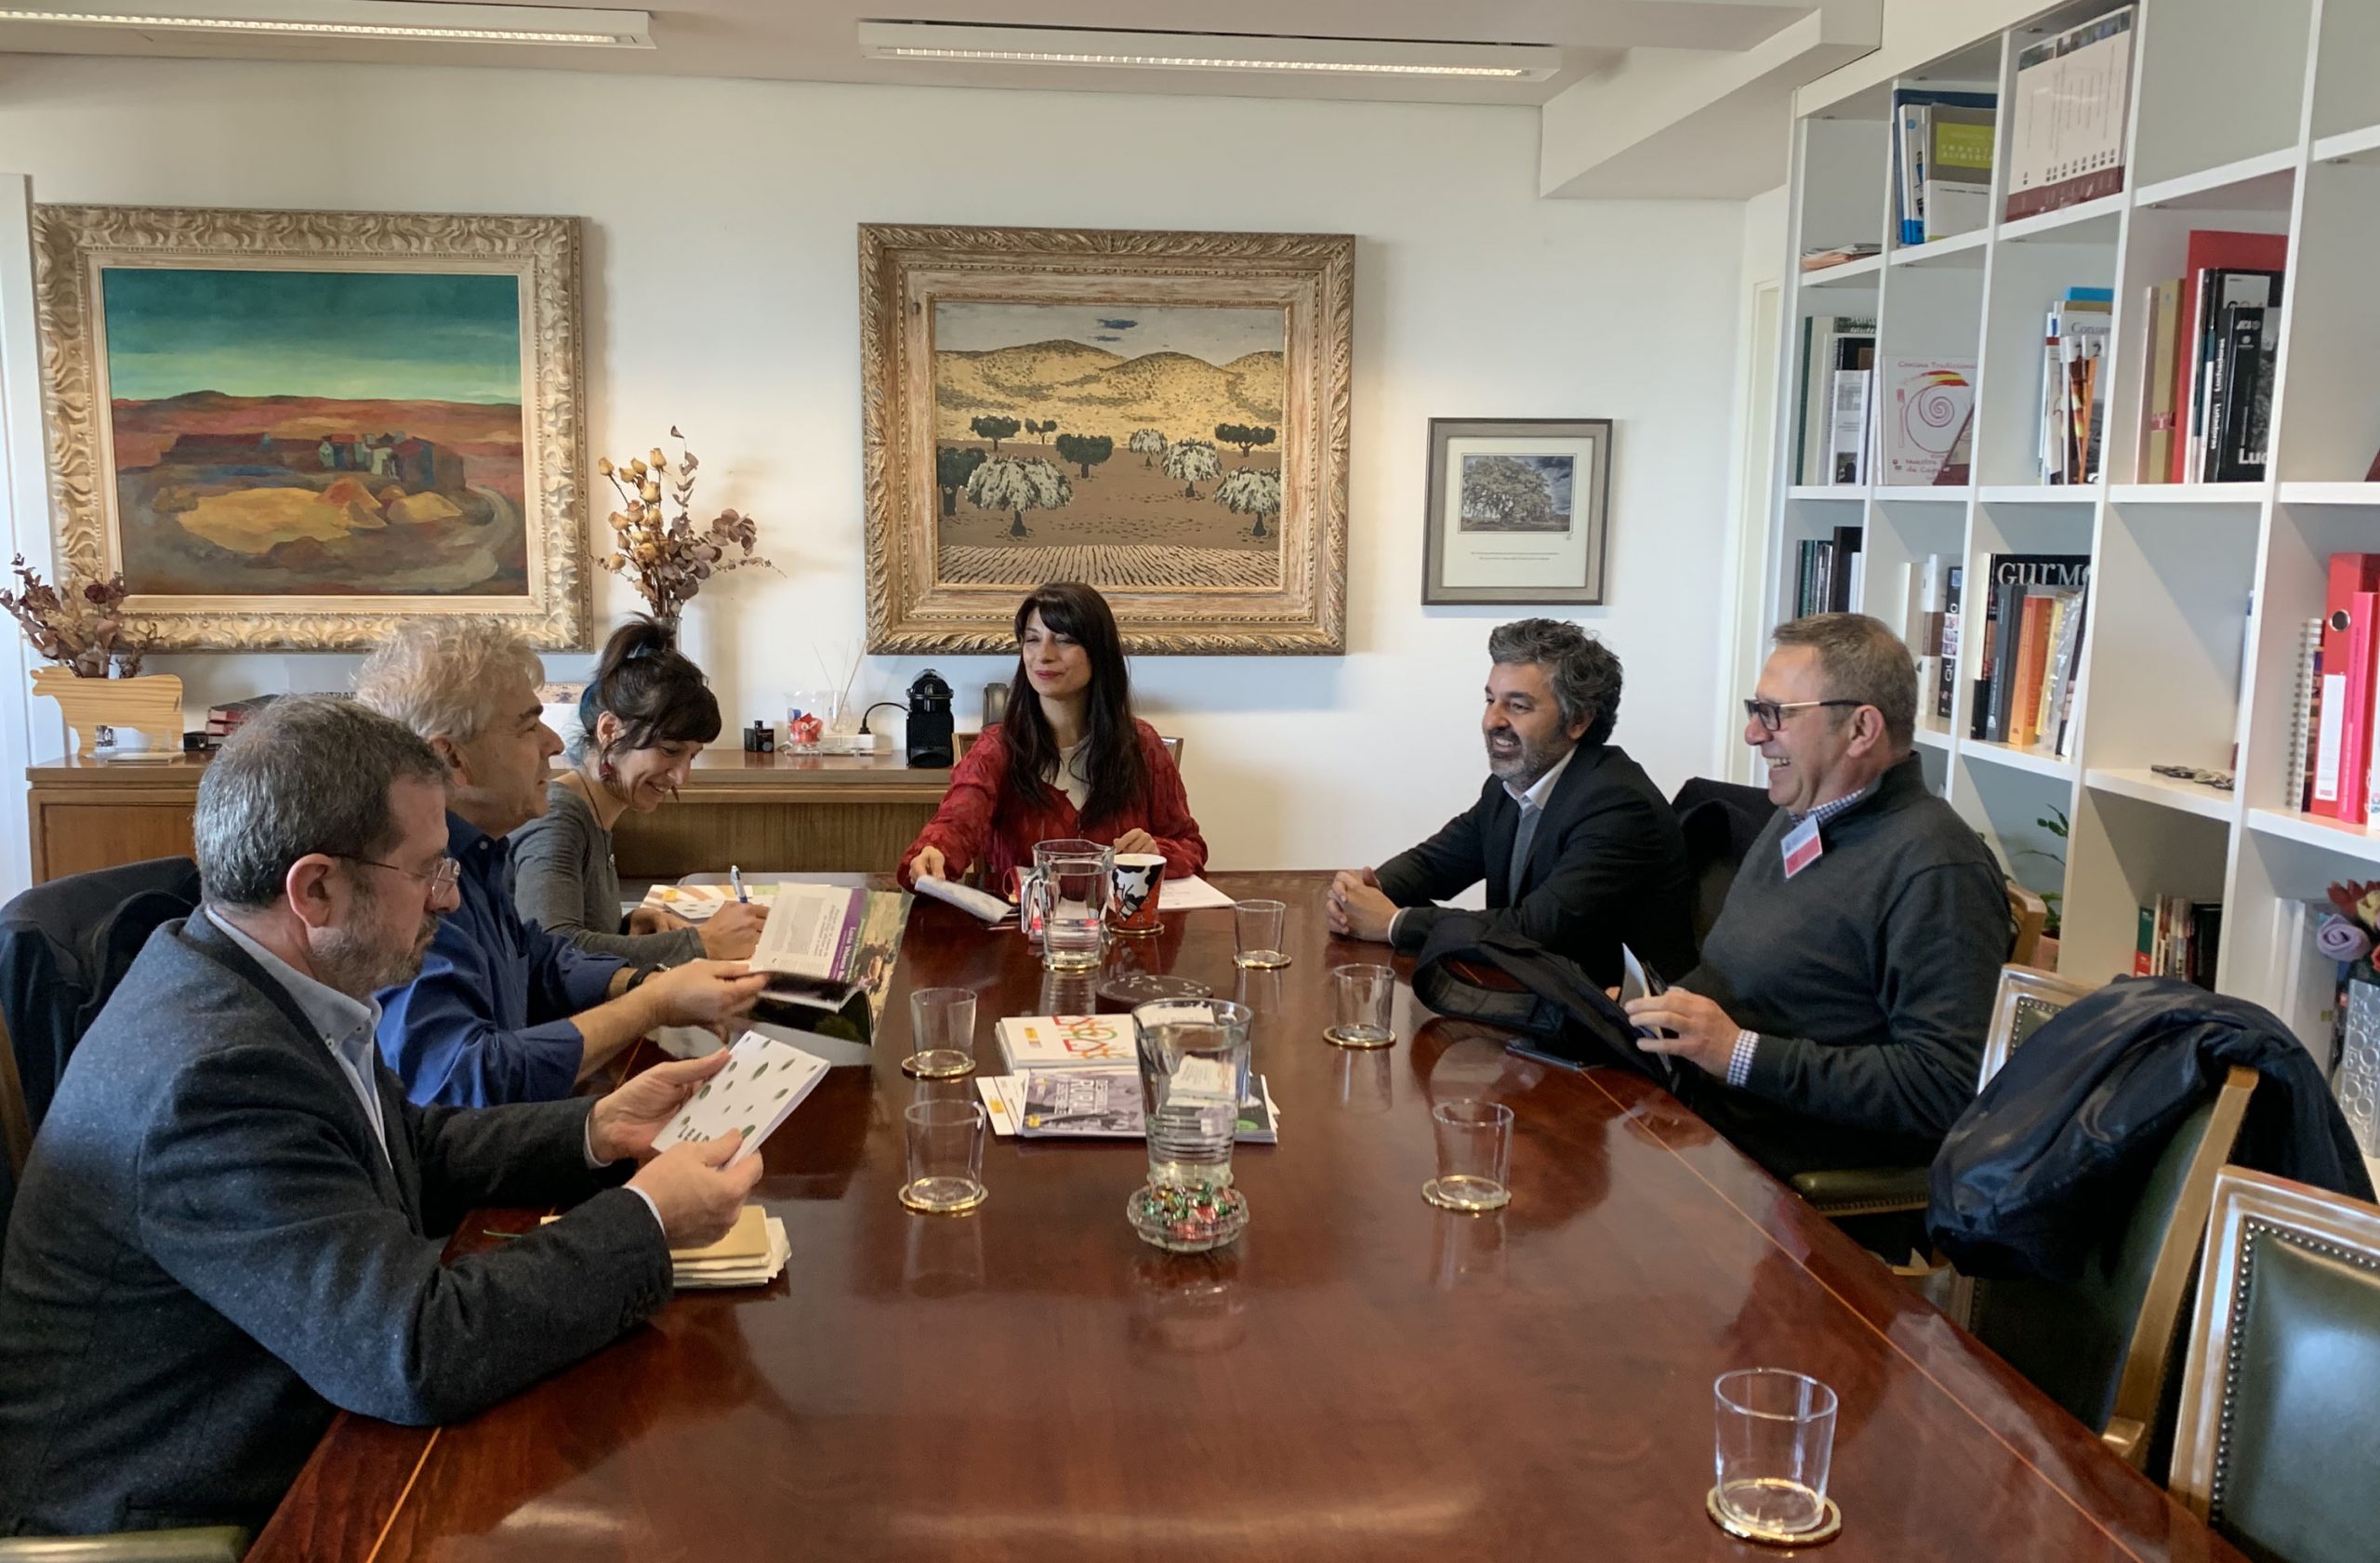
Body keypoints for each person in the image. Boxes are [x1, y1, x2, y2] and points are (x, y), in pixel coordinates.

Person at [0, 697, 764, 1537]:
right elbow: (417, 1349)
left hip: (312, 1419)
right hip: (194, 1515)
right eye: (430, 871)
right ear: (316, 888)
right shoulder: (214, 1075)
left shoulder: (261, 977)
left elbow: (405, 1146)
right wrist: (649, 1219)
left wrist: (593, 1129)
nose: (449, 899)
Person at [1622, 613, 2012, 1179]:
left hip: (1787, 1171)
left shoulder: (1937, 868)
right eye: (1755, 710)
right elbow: (1744, 981)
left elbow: (1945, 1086)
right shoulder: (1802, 814)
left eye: (1775, 714)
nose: (1754, 734)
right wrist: (1656, 1008)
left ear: (1861, 729)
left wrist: (1739, 1053)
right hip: (1709, 1118)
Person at [356, 618, 769, 1106]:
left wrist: (646, 981)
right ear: (451, 758)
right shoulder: (411, 888)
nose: (553, 743)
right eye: (528, 726)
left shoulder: (477, 854)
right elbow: (465, 1081)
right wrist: (652, 1001)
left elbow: (539, 959)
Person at [1327, 618, 1697, 988]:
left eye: (1517, 706)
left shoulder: (1619, 805)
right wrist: (1366, 892)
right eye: (1490, 700)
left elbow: (1535, 930)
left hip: (1612, 1012)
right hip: (1535, 991)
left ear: (1578, 720)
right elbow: (1434, 864)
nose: (1492, 720)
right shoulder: (1512, 784)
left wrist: (1393, 923)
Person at [898, 582, 1205, 893]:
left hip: (1117, 921)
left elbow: (1190, 845)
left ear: (1098, 652)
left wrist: (1156, 852)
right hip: (1023, 921)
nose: (1043, 655)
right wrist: (935, 852)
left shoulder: (1141, 744)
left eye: (1064, 639)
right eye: (1032, 639)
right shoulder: (997, 747)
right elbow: (958, 822)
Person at [510, 616, 767, 967]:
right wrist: (701, 942)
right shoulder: (557, 820)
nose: (682, 776)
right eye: (670, 750)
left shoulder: (592, 811)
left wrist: (625, 926)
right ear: (610, 730)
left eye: (692, 756)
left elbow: (578, 930)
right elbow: (553, 951)